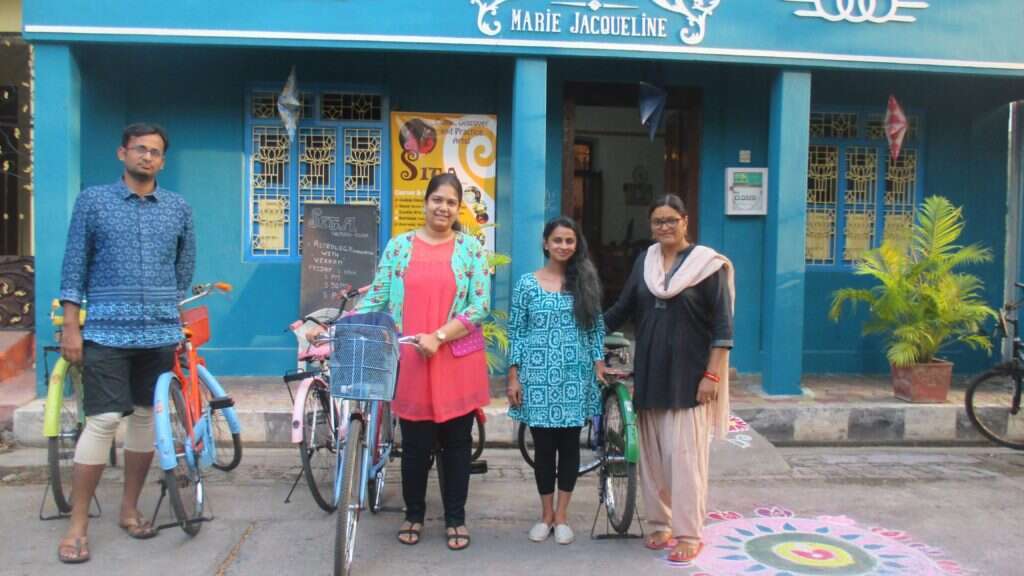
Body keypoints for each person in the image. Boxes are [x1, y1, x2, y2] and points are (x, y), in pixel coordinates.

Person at [56, 123, 195, 563]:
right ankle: (78, 524)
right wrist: (71, 326)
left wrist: (169, 309)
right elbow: (74, 265)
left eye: (155, 151)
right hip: (105, 333)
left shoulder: (178, 208)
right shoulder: (93, 202)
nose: (147, 157)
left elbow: (184, 266)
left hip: (158, 334)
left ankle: (129, 509)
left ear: (163, 161)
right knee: (101, 422)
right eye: (139, 149)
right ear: (122, 153)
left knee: (143, 420)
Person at [356, 172, 491, 551]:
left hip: (456, 360)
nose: (443, 208)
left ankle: (455, 518)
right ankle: (413, 513)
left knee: (457, 445)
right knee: (414, 446)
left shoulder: (470, 249)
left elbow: (480, 305)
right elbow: (378, 296)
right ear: (426, 202)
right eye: (437, 200)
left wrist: (440, 336)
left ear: (458, 208)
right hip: (412, 361)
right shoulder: (399, 247)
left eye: (451, 202)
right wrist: (344, 323)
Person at [604, 194, 734, 565]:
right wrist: (586, 329)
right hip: (650, 374)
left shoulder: (708, 266)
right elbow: (623, 308)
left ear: (685, 221)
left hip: (689, 379)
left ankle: (689, 533)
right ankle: (659, 524)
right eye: (658, 221)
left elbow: (722, 329)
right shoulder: (645, 262)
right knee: (653, 460)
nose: (664, 227)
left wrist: (711, 375)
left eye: (670, 220)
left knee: (685, 461)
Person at [507, 217, 606, 545]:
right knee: (544, 449)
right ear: (546, 243)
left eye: (569, 241)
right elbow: (516, 331)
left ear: (576, 245)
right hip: (536, 378)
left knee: (569, 446)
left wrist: (598, 364)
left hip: (574, 376)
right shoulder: (526, 284)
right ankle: (545, 514)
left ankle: (562, 516)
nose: (564, 246)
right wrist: (513, 376)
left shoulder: (584, 282)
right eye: (558, 240)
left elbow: (596, 329)